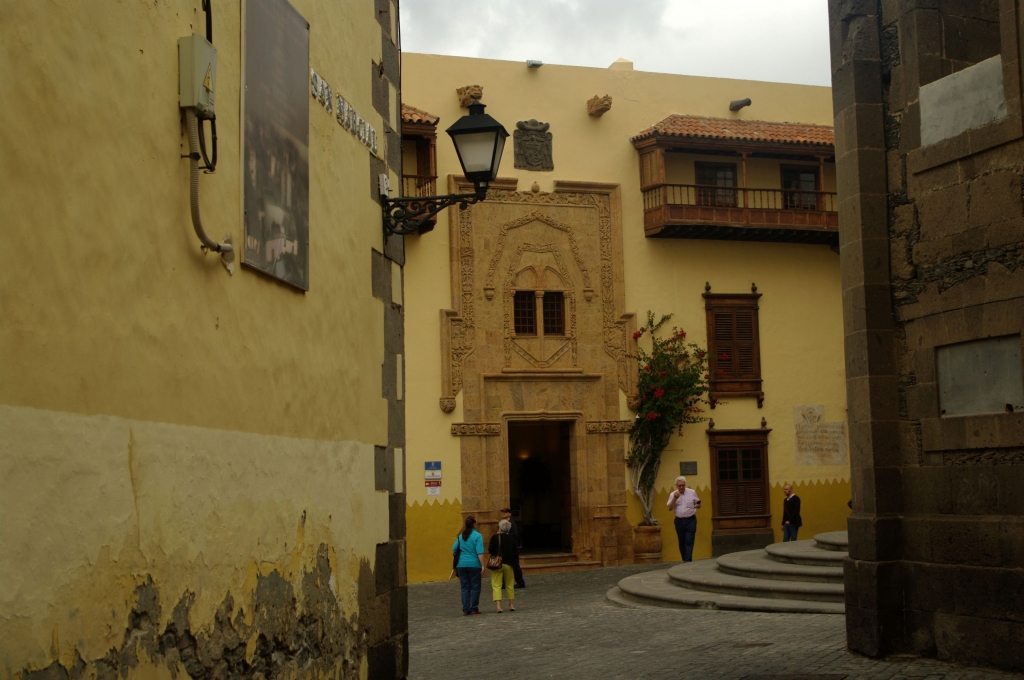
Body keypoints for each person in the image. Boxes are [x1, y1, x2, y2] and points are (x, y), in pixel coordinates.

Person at [451, 516, 486, 615]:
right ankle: (474, 608)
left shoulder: (461, 536)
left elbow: (454, 548)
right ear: (474, 524)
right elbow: (480, 552)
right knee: (475, 587)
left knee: (465, 588)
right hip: (474, 564)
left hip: (461, 565)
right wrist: (483, 565)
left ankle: (466, 609)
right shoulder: (478, 536)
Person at [488, 519, 520, 613]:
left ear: (500, 528)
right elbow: (516, 553)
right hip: (509, 564)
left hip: (497, 563)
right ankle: (511, 605)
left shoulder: (495, 537)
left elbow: (490, 550)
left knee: (496, 585)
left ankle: (499, 606)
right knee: (509, 584)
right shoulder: (512, 539)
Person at [667, 476, 701, 562]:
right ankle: (685, 559)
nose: (681, 487)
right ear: (676, 485)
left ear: (685, 485)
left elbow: (698, 503)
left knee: (689, 540)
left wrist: (698, 505)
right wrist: (675, 498)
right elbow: (669, 508)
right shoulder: (673, 494)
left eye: (683, 485)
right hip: (679, 521)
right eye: (679, 485)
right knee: (682, 541)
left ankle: (687, 561)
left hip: (691, 520)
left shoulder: (692, 492)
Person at [500, 507, 526, 588]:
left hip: (512, 549)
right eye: (503, 512)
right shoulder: (503, 523)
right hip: (506, 548)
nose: (503, 513)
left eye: (505, 512)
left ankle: (520, 582)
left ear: (509, 514)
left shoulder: (512, 523)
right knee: (504, 566)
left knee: (515, 566)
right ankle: (504, 583)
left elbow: (515, 535)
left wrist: (506, 534)